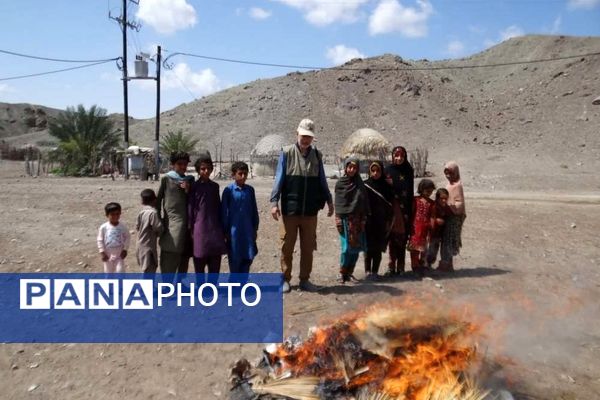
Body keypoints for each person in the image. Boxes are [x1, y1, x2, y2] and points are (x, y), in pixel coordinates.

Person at [270, 118, 334, 293]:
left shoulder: (317, 156)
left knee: (308, 247)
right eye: (303, 135)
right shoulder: (287, 153)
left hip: (310, 212)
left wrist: (329, 200)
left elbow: (322, 180)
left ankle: (305, 279)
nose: (306, 140)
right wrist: (274, 202)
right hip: (290, 210)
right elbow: (279, 179)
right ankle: (285, 279)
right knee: (287, 246)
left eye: (309, 137)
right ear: (297, 133)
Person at [188, 153, 227, 274]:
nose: (206, 171)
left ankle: (212, 288)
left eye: (208, 168)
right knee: (199, 258)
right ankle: (201, 289)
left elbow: (218, 206)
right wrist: (190, 228)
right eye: (202, 169)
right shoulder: (193, 187)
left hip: (215, 228)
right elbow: (190, 208)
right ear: (198, 170)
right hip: (199, 228)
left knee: (215, 260)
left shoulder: (215, 187)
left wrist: (222, 227)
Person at [157, 151, 194, 274]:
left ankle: (180, 282)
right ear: (173, 164)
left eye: (185, 164)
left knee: (184, 254)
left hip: (188, 224)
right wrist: (159, 221)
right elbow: (157, 202)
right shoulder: (166, 179)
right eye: (180, 164)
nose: (183, 167)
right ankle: (167, 285)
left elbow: (195, 201)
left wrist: (188, 190)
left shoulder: (190, 180)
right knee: (170, 252)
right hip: (172, 224)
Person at [335, 158, 369, 283]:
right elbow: (338, 203)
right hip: (344, 220)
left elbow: (364, 202)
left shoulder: (360, 184)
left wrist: (364, 218)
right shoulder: (340, 183)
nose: (352, 170)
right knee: (345, 248)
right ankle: (342, 272)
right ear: (346, 168)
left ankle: (349, 273)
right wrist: (338, 219)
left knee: (356, 248)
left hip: (358, 221)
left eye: (354, 168)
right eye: (350, 167)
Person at [221, 161, 259, 274]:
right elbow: (224, 212)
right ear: (233, 175)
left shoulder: (250, 190)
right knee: (235, 257)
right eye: (240, 173)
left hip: (248, 230)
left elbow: (254, 209)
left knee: (248, 256)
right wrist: (225, 231)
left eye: (245, 174)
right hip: (234, 232)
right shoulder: (228, 191)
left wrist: (255, 228)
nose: (243, 176)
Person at [384, 146, 414, 275]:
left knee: (402, 238)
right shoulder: (388, 170)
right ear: (392, 156)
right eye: (396, 156)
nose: (399, 158)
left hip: (404, 210)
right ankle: (391, 267)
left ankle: (401, 267)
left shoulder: (408, 170)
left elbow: (410, 191)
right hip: (391, 209)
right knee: (391, 239)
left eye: (401, 156)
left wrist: (409, 209)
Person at [363, 161, 394, 279]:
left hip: (381, 221)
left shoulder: (386, 187)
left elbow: (390, 204)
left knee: (378, 248)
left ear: (382, 171)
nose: (375, 173)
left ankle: (375, 272)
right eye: (373, 171)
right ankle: (367, 271)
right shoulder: (365, 185)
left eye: (378, 171)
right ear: (369, 171)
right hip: (368, 221)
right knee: (368, 248)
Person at [439, 161, 466, 272]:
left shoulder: (457, 186)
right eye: (446, 173)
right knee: (445, 240)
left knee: (449, 241)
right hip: (447, 216)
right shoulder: (448, 185)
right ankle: (445, 263)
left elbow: (460, 204)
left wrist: (450, 206)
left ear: (455, 172)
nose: (448, 176)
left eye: (450, 173)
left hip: (454, 218)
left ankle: (447, 264)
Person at [407, 179, 435, 275]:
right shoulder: (415, 200)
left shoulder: (432, 203)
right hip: (415, 228)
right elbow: (411, 213)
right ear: (421, 189)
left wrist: (432, 226)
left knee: (424, 249)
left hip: (425, 229)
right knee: (414, 249)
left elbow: (432, 216)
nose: (429, 193)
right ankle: (415, 267)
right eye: (427, 191)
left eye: (431, 192)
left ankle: (422, 265)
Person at [97, 202, 130, 273]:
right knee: (108, 273)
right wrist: (102, 252)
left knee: (120, 271)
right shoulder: (104, 227)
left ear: (120, 213)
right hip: (108, 254)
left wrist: (125, 250)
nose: (115, 216)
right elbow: (100, 240)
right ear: (107, 215)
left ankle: (120, 284)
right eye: (112, 214)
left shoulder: (123, 227)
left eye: (117, 214)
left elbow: (127, 237)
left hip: (119, 254)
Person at [135, 189, 163, 274]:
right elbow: (158, 227)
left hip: (140, 245)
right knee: (149, 269)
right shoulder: (153, 213)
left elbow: (137, 226)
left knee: (144, 268)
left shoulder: (142, 212)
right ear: (154, 200)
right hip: (148, 246)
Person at [426, 188, 450, 268]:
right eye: (442, 198)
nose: (444, 200)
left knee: (442, 250)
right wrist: (436, 221)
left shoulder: (447, 208)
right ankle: (427, 264)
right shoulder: (433, 206)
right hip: (433, 233)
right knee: (432, 250)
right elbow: (428, 217)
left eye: (445, 199)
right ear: (437, 198)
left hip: (443, 233)